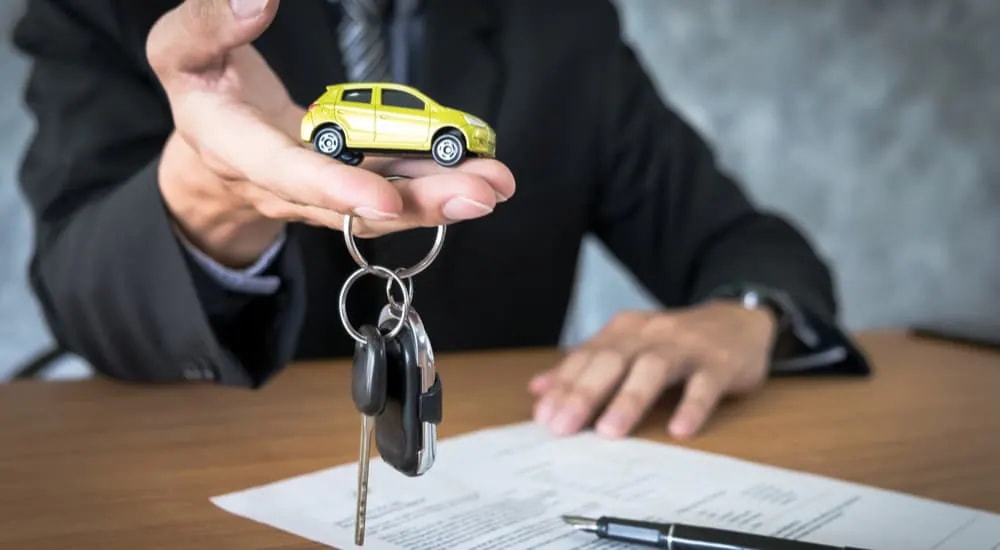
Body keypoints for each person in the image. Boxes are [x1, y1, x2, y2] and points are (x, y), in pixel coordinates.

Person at [12, 0, 867, 441]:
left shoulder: (560, 23)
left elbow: (748, 246)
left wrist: (744, 315)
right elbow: (78, 288)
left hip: (505, 463)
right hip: (191, 481)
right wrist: (208, 191)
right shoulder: (117, 6)